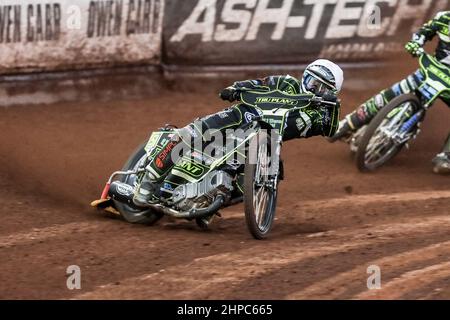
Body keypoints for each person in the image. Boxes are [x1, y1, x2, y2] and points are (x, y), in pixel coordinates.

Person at [133, 59, 344, 206]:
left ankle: (211, 192)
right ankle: (148, 181)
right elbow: (261, 83)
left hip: (263, 140)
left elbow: (330, 129)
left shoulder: (319, 113)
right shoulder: (287, 83)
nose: (313, 88)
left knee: (265, 176)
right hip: (241, 114)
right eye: (311, 81)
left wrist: (333, 106)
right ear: (304, 76)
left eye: (320, 87)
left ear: (329, 92)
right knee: (192, 132)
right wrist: (236, 88)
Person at [329, 11, 450, 174]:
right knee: (395, 91)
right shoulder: (444, 18)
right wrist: (416, 43)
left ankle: (446, 156)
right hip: (432, 70)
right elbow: (424, 32)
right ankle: (351, 121)